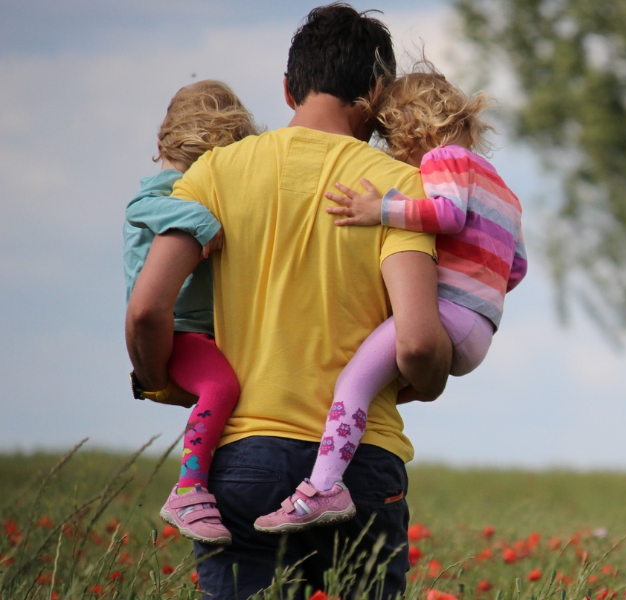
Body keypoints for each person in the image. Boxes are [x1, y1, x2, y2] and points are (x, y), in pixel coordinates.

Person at [125, 4, 452, 598]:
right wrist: (424, 381)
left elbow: (148, 309)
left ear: (286, 88)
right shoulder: (399, 188)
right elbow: (421, 340)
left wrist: (159, 381)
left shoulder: (214, 174)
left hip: (242, 460)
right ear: (376, 91)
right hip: (361, 465)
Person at [254, 66, 527, 533]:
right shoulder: (504, 189)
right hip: (481, 328)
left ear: (413, 128)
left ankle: (323, 488)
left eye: (391, 138)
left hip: (447, 314)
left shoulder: (444, 160)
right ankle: (337, 464)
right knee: (377, 386)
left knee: (353, 383)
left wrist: (378, 209)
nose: (393, 152)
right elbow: (516, 268)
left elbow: (446, 214)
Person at [123, 80, 259, 545]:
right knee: (221, 386)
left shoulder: (188, 184)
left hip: (202, 331)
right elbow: (141, 206)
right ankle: (189, 489)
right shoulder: (166, 191)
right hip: (179, 331)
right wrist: (201, 220)